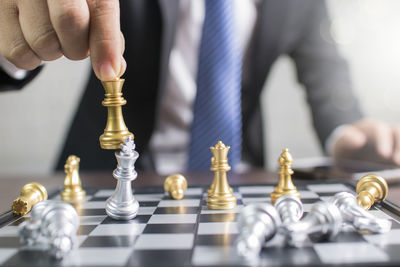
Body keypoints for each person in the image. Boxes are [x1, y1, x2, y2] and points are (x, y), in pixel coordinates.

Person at [0, 0, 399, 173]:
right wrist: (11, 38)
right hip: (105, 176)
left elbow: (327, 76)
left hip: (240, 183)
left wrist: (348, 133)